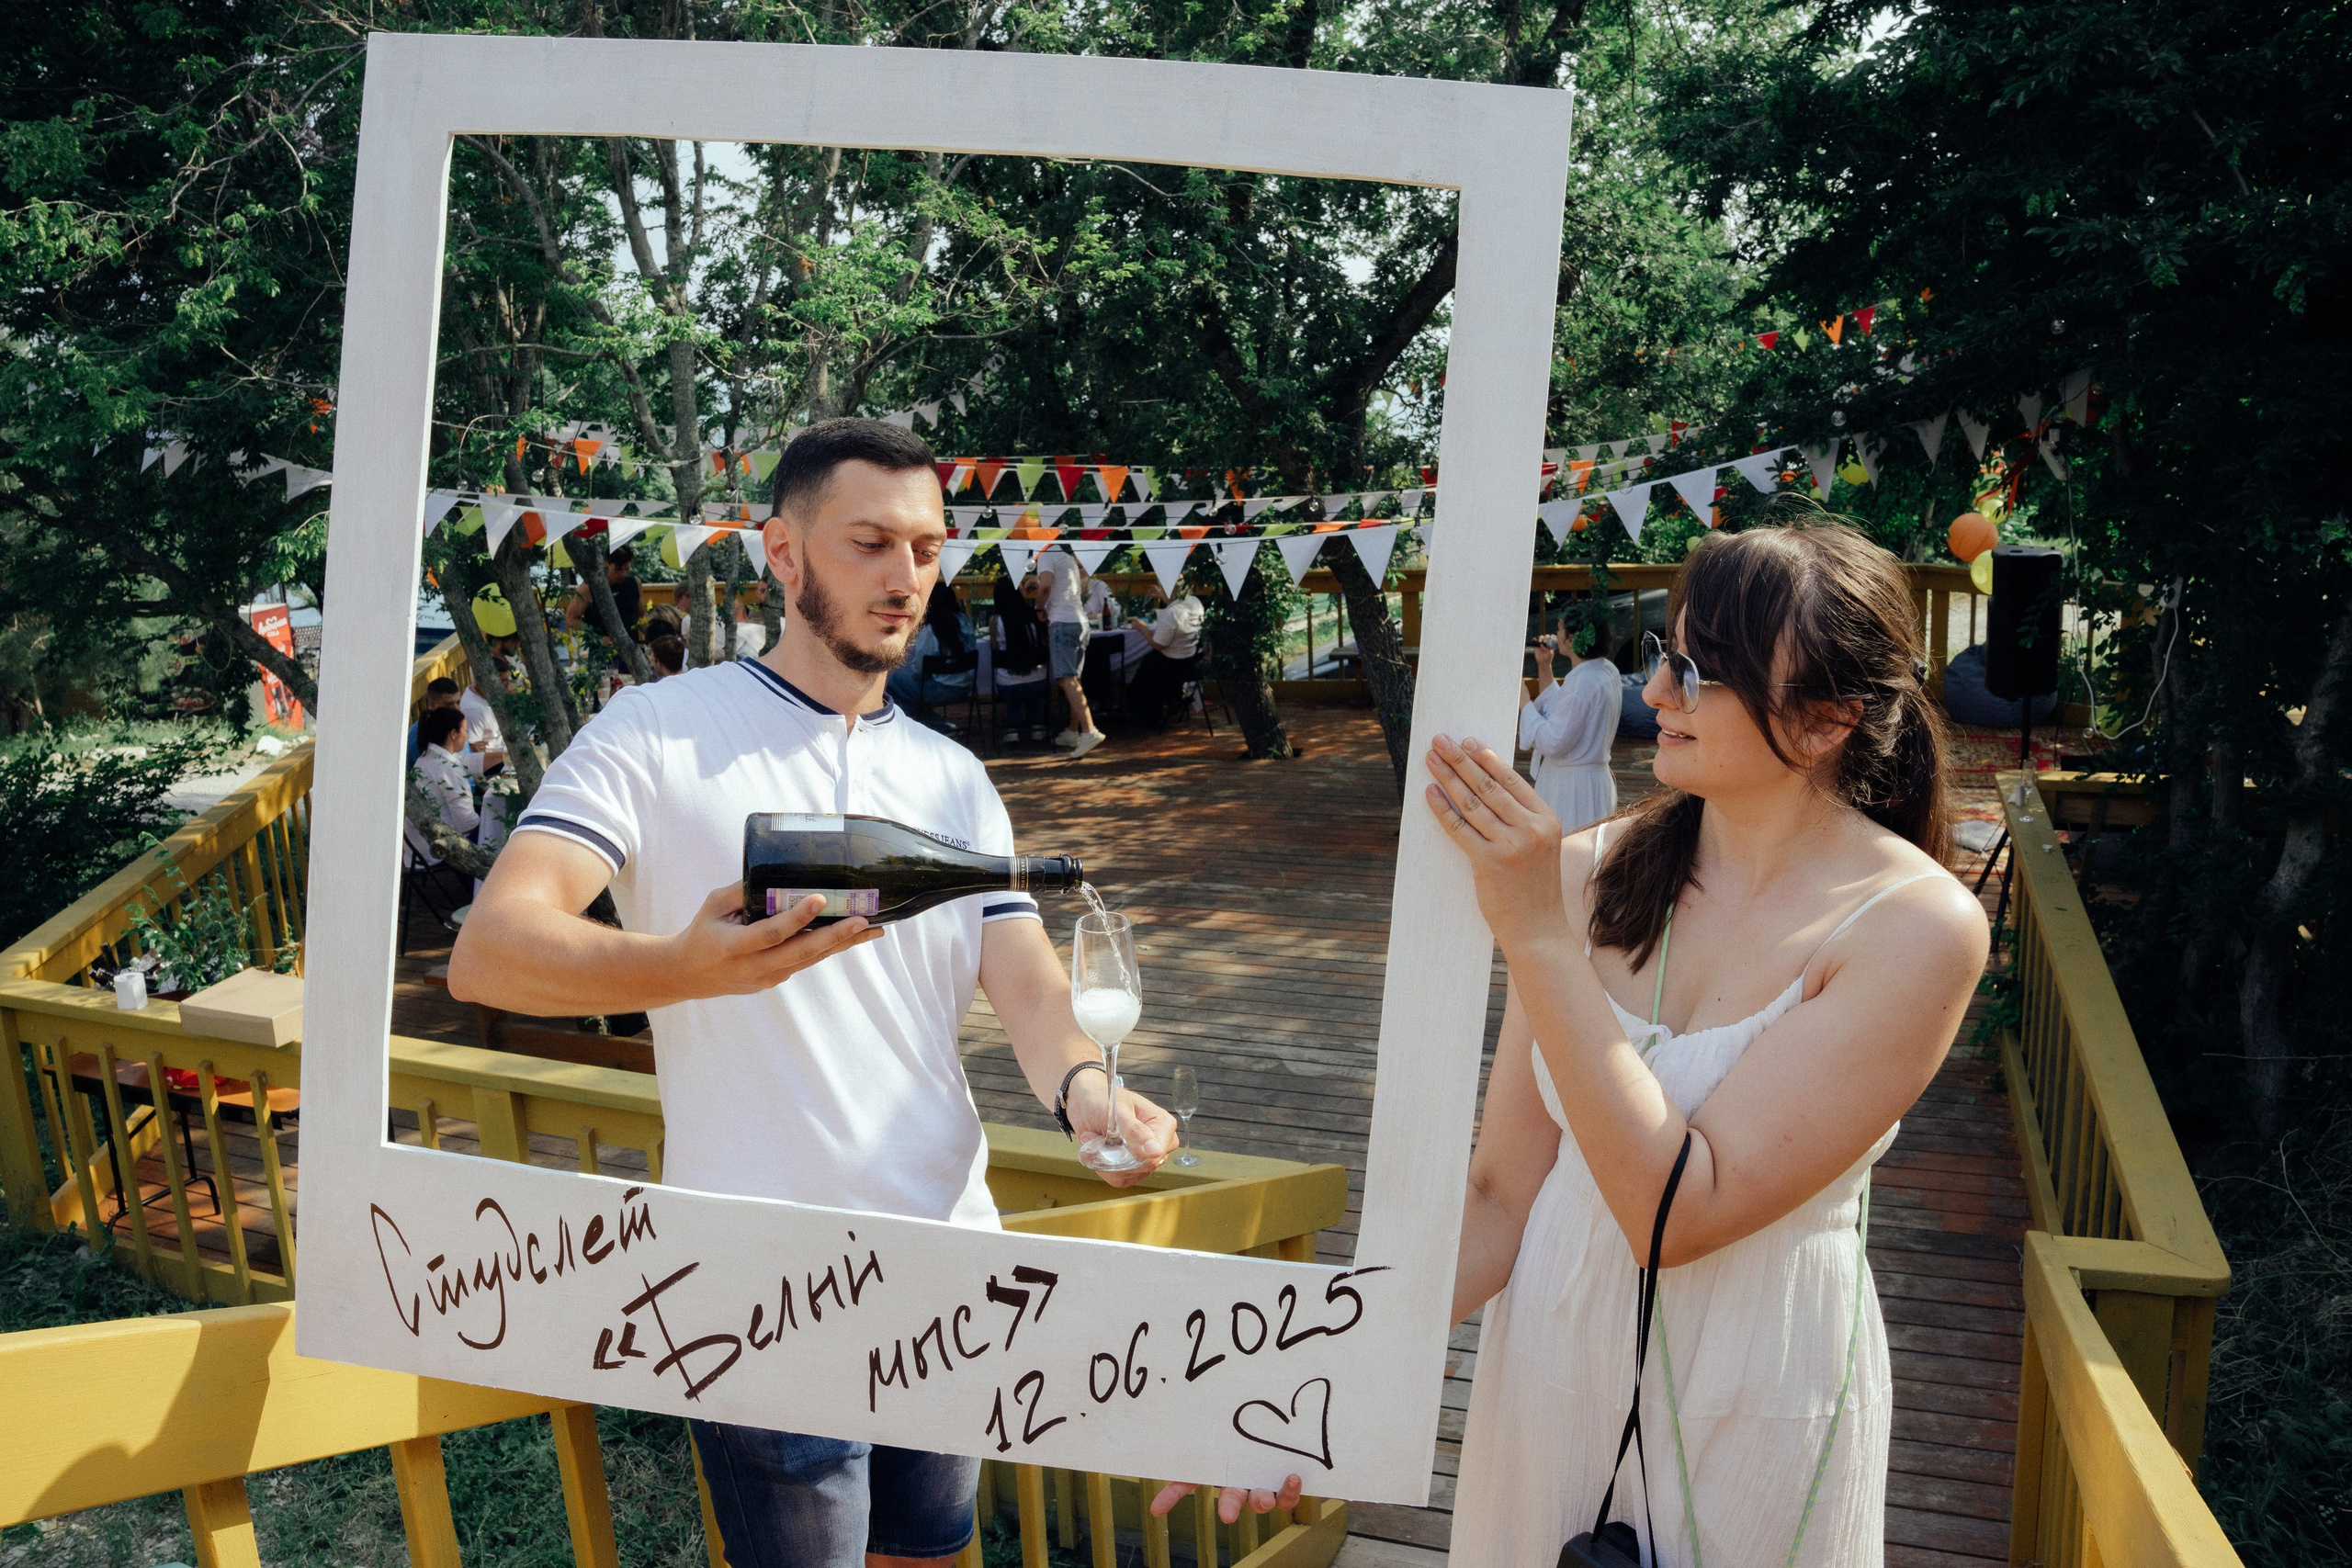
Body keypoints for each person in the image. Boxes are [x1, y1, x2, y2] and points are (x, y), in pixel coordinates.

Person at [448, 418, 1234, 1568]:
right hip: (759, 1281)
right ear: (781, 552)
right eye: (868, 542)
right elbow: (493, 949)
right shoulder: (660, 730)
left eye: (925, 550)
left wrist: (1079, 1087)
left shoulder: (952, 776)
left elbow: (1016, 969)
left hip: (948, 1254)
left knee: (928, 1554)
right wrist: (679, 965)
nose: (904, 577)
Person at [1432, 520, 1988, 1568]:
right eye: (1663, 658)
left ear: (1827, 719)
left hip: (1757, 1388)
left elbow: (1675, 1215)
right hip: (1548, 1369)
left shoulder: (1914, 929)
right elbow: (1503, 1192)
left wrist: (1539, 939)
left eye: (1697, 672)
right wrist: (1330, 1366)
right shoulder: (1584, 871)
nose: (1655, 695)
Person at [1516, 600, 1620, 834]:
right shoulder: (1604, 670)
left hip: (1572, 791)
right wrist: (1545, 666)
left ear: (1571, 639)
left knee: (1568, 854)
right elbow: (1562, 711)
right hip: (1591, 782)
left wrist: (1525, 704)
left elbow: (1553, 743)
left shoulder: (1582, 682)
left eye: (1561, 628)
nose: (1557, 632)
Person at [1035, 546, 1104, 758]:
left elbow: (1045, 586)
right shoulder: (1066, 556)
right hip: (1080, 622)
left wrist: (1039, 608)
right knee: (1074, 681)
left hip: (1062, 623)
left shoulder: (1045, 554)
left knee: (1066, 680)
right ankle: (1073, 732)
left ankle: (1089, 731)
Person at [886, 579, 978, 718]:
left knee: (893, 680)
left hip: (940, 690)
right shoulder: (965, 621)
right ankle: (932, 722)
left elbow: (919, 669)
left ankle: (932, 724)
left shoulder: (930, 631)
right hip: (966, 687)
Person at [404, 705, 480, 865]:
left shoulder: (426, 757)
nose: (467, 736)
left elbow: (468, 762)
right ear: (454, 734)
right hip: (436, 850)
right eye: (465, 731)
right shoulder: (448, 769)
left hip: (417, 850)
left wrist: (502, 756)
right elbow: (468, 824)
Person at [1125, 584, 1204, 728]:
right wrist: (1162, 595)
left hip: (1171, 664)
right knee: (1146, 661)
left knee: (1140, 666)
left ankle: (1146, 715)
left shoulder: (1172, 612)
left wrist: (1142, 628)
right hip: (1190, 657)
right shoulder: (1195, 602)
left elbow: (1158, 645)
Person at [991, 570, 1052, 745]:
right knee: (1033, 686)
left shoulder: (995, 620)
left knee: (1013, 684)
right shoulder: (1034, 616)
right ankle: (1037, 727)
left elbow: (995, 649)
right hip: (1038, 681)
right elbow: (1044, 642)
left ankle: (1013, 730)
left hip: (1009, 684)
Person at [566, 542, 645, 644]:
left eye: (627, 569)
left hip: (632, 645)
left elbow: (641, 616)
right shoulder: (587, 588)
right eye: (618, 570)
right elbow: (571, 620)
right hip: (602, 650)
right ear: (606, 564)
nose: (623, 574)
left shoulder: (635, 583)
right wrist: (598, 638)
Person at [407, 676, 463, 768]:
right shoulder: (419, 736)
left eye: (458, 703)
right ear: (432, 704)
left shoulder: (456, 724)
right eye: (449, 704)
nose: (456, 709)